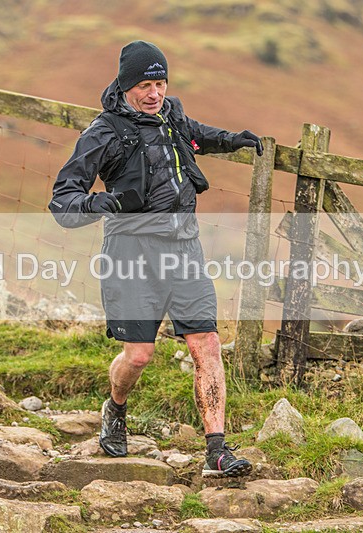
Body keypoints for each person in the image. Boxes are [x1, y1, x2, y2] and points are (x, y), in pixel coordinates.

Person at [48, 40, 263, 477]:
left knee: (207, 344)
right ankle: (115, 407)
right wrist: (98, 204)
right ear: (126, 86)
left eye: (160, 82)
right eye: (144, 84)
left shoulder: (171, 113)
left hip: (184, 249)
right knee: (140, 355)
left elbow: (195, 134)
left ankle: (216, 452)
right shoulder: (103, 132)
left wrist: (231, 140)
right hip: (131, 254)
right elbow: (62, 199)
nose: (154, 93)